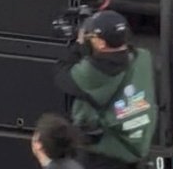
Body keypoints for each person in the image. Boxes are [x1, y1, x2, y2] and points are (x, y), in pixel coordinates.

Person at [54, 10, 156, 169]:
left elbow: (62, 74)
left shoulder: (92, 73)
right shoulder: (143, 58)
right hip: (136, 148)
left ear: (101, 43)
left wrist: (79, 45)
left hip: (105, 154)